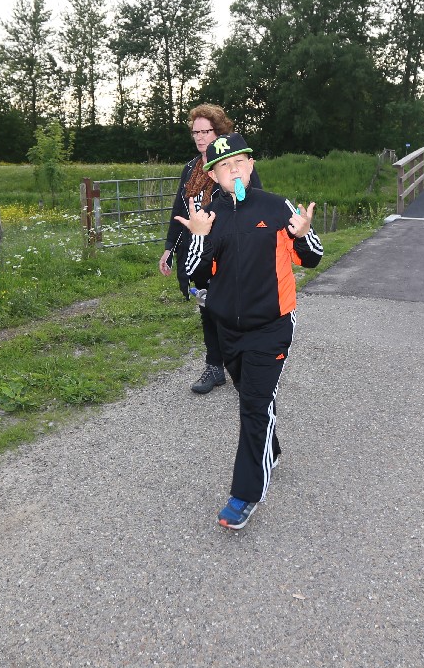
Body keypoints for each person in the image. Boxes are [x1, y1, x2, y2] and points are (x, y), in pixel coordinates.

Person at [174, 132, 323, 530]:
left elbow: (312, 258)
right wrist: (198, 236)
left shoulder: (274, 207)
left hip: (272, 325)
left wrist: (302, 234)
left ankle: (245, 494)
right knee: (251, 395)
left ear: (251, 164)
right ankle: (269, 446)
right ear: (213, 175)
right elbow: (195, 274)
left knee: (254, 405)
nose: (234, 170)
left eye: (239, 161)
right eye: (224, 166)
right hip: (227, 328)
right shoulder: (209, 217)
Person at [159, 104, 261, 395]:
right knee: (208, 308)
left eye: (206, 131)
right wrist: (169, 248)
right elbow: (181, 211)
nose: (200, 137)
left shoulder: (234, 166)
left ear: (219, 132)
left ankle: (245, 366)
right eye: (196, 132)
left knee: (237, 309)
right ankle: (215, 366)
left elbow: (252, 204)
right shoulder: (190, 169)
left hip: (229, 249)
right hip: (198, 249)